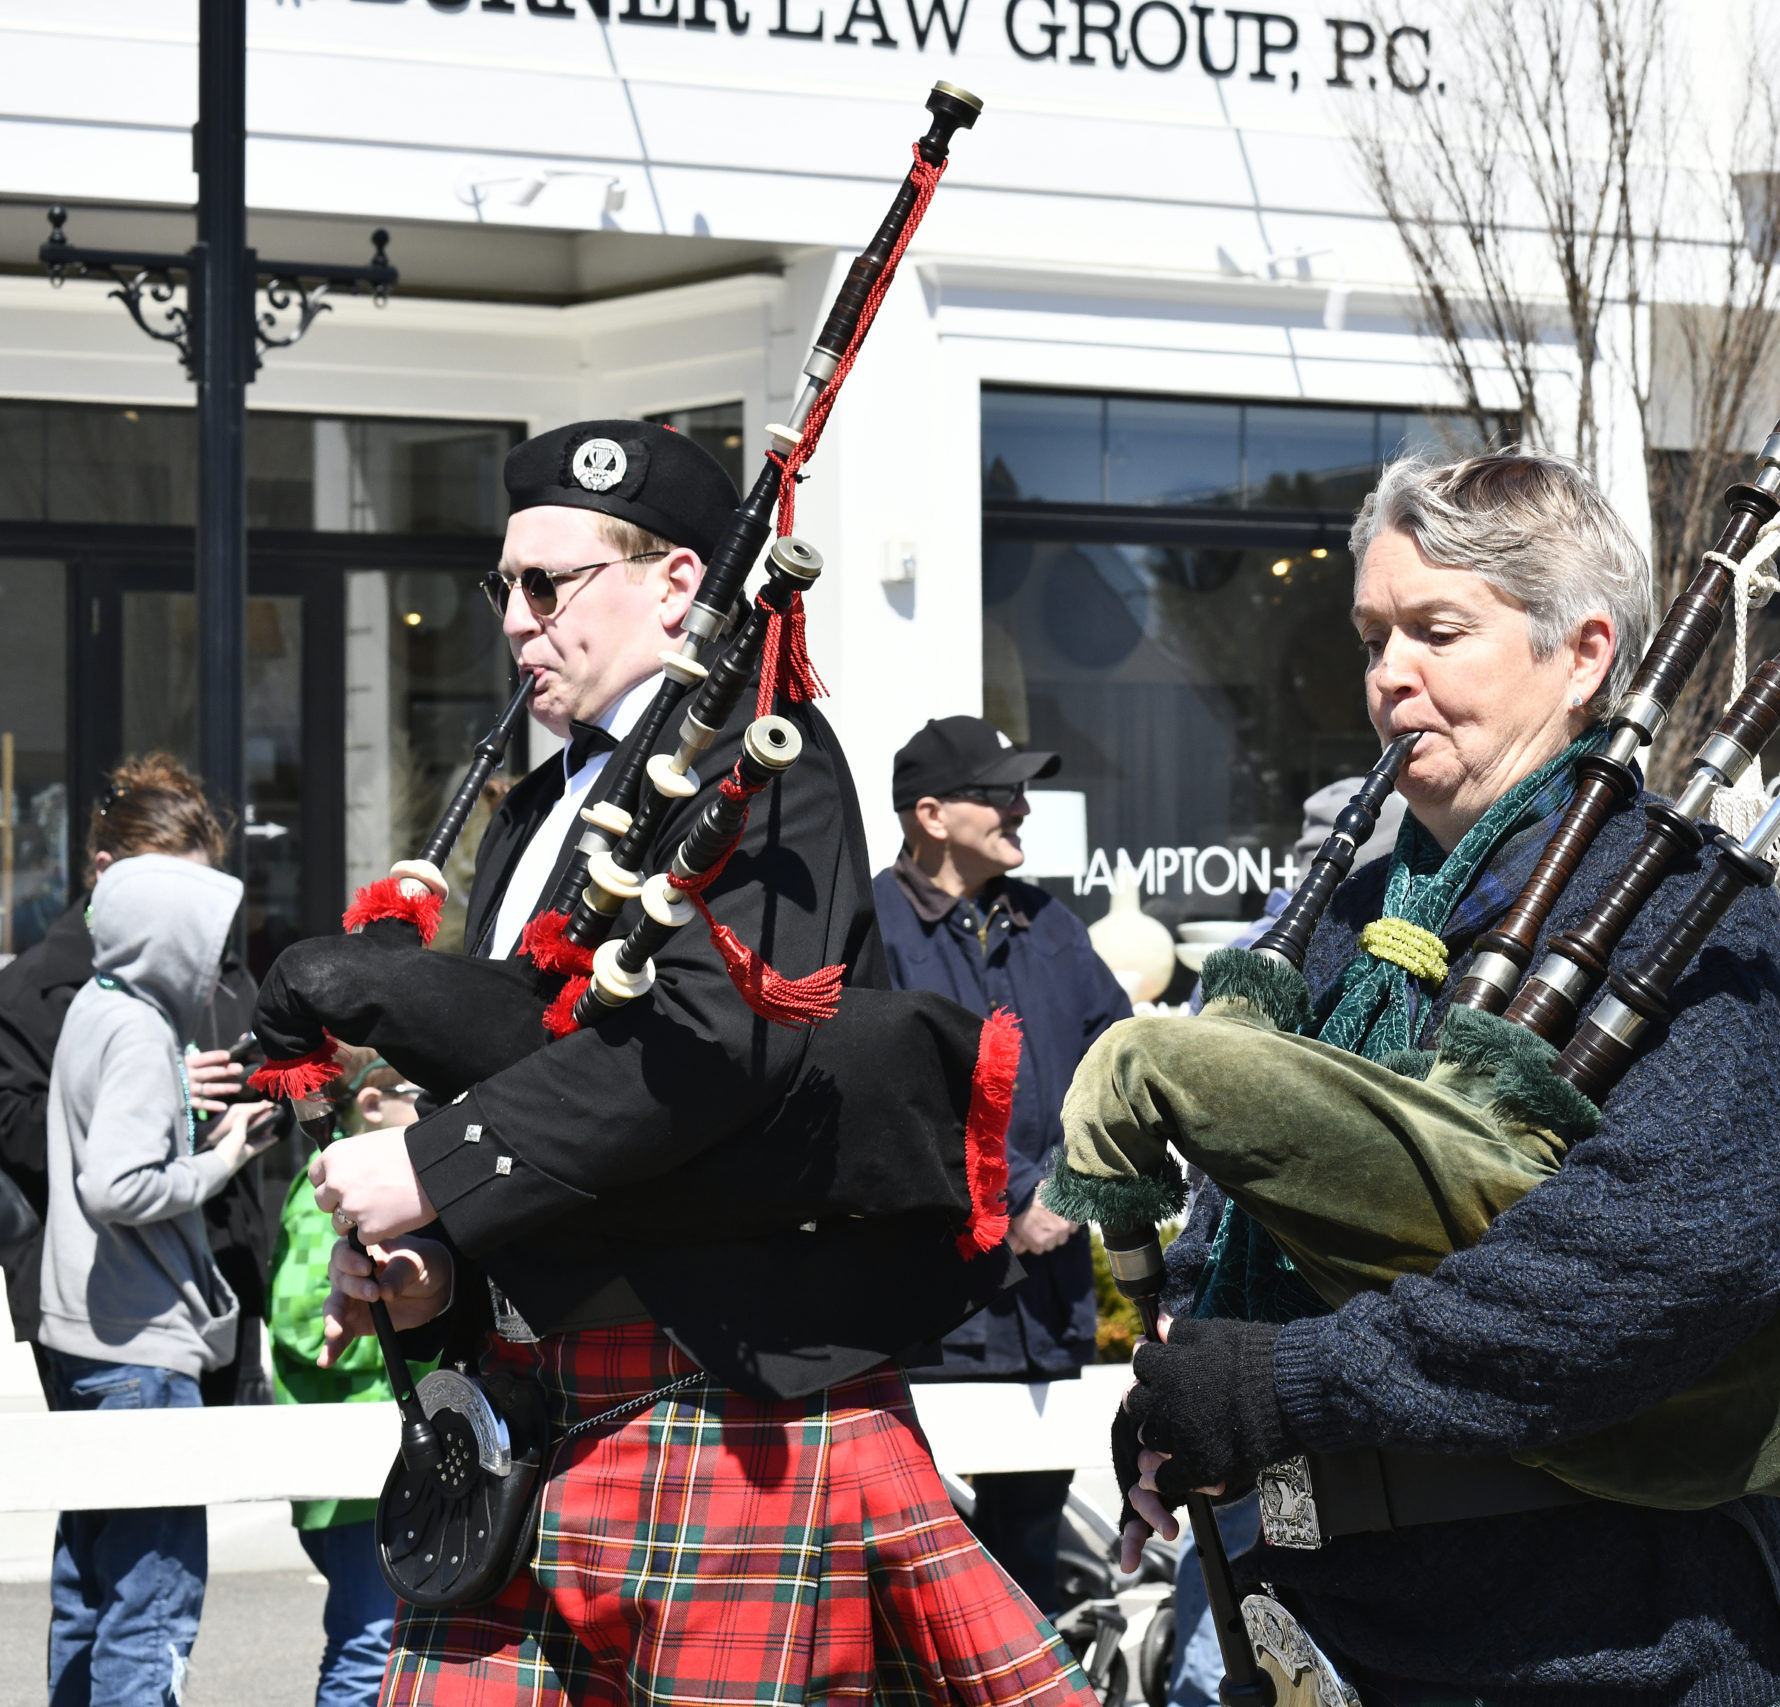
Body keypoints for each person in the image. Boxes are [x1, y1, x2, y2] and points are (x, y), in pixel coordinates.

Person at [300, 420, 1092, 1705]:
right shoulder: (541, 806)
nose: (514, 617)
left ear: (678, 584)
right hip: (531, 1401)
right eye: (501, 584)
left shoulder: (762, 771)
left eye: (547, 582)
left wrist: (434, 1170)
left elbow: (712, 1049)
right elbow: (534, 1068)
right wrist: (436, 1258)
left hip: (719, 1401)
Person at [1112, 450, 1780, 1702]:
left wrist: (1287, 1382)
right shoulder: (1351, 921)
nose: (1388, 672)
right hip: (1319, 1627)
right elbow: (1253, 1202)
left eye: (1437, 631)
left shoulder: (1679, 909)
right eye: (1372, 635)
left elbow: (1660, 1258)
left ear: (1582, 654)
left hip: (1607, 1650)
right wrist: (1191, 1380)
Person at [880, 713, 1132, 1612]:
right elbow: (889, 1105)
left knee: (1029, 1543)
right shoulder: (867, 928)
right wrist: (1014, 1197)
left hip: (1049, 1303)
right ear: (934, 814)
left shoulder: (1050, 922)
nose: (1022, 808)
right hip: (933, 1309)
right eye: (1001, 793)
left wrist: (1067, 1184)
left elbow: (1116, 1057)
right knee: (918, 1558)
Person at [42, 850, 273, 1707]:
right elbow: (120, 1184)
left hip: (85, 1338)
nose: (215, 961)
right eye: (205, 939)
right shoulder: (140, 1028)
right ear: (166, 939)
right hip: (142, 1348)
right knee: (154, 1601)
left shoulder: (95, 1009)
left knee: (89, 1590)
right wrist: (221, 1160)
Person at [0, 756, 264, 1410]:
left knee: (139, 1510)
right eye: (170, 890)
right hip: (110, 1307)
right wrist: (158, 1098)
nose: (193, 918)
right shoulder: (48, 988)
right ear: (107, 876)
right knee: (147, 1507)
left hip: (213, 1271)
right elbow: (29, 1134)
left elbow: (257, 1095)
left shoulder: (226, 976)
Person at [267, 1049, 420, 1707]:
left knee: (382, 1647)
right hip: (352, 1472)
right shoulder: (328, 1189)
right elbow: (302, 1321)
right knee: (369, 1650)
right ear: (371, 1104)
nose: (432, 1105)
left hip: (372, 1469)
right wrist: (414, 1341)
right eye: (419, 1089)